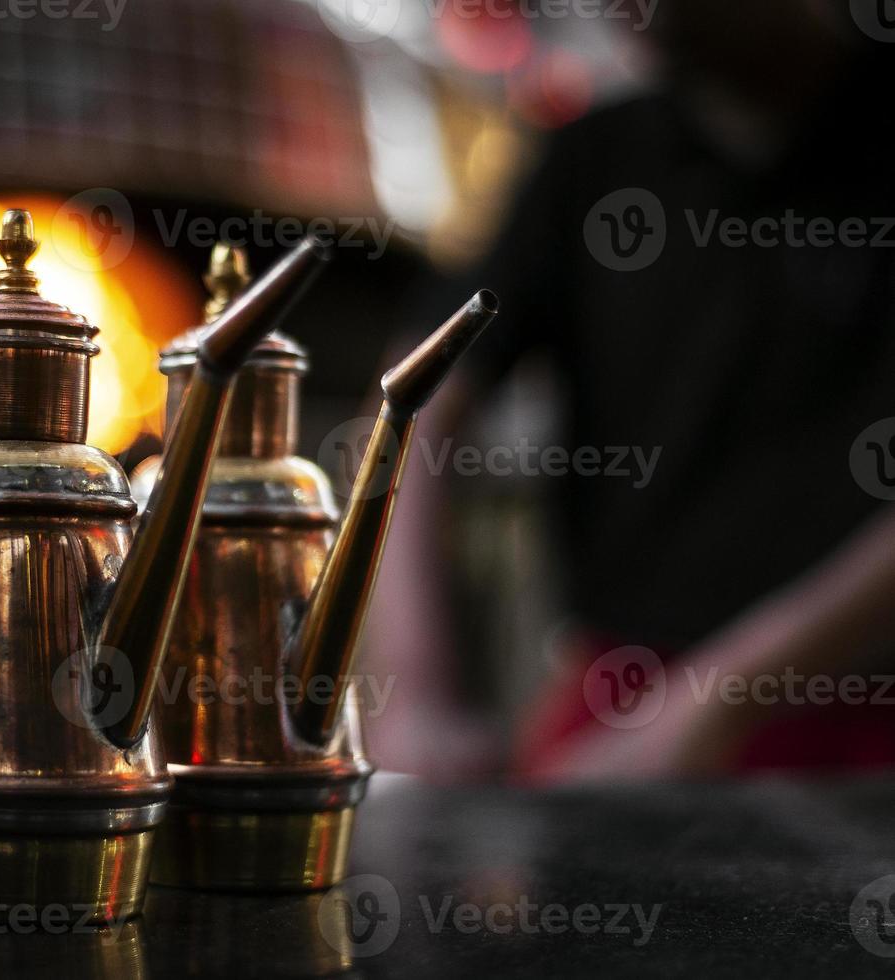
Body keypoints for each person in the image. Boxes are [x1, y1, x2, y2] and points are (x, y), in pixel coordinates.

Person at [363, 0, 895, 779]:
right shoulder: (594, 158)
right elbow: (412, 406)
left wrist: (718, 700)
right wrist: (413, 688)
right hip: (622, 692)